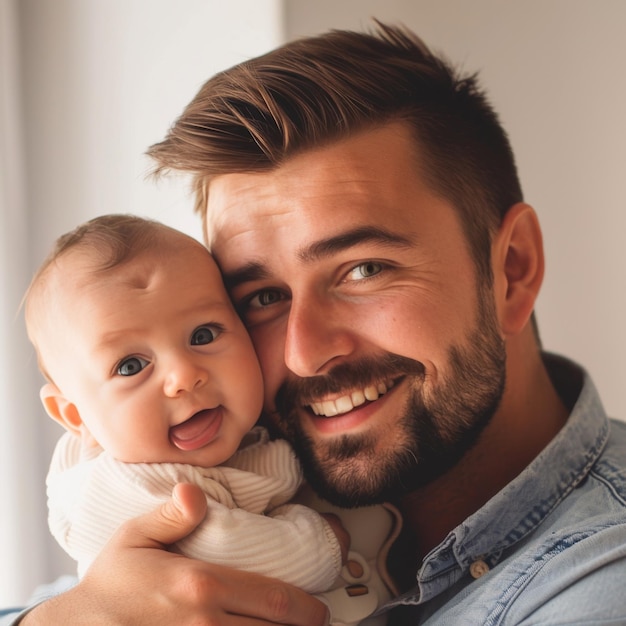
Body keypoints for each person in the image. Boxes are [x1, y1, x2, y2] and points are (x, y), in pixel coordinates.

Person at [4, 20, 626, 625]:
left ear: (512, 269)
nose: (303, 354)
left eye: (363, 270)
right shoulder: (252, 478)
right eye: (262, 297)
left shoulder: (601, 583)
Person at [22, 213, 388, 624]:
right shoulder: (126, 484)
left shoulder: (253, 435)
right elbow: (232, 552)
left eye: (203, 335)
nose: (183, 377)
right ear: (74, 415)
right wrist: (320, 543)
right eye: (130, 367)